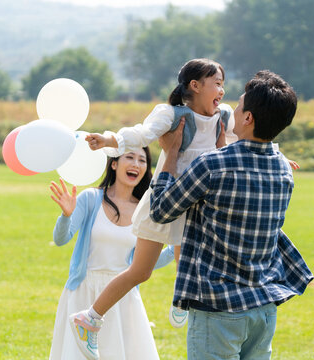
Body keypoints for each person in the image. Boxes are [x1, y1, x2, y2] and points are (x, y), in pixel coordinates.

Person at [69, 58, 238, 341]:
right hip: (166, 198)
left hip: (204, 201)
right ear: (195, 86)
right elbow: (141, 135)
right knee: (140, 271)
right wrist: (110, 140)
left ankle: (181, 299)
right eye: (217, 84)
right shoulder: (171, 114)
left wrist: (277, 158)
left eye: (223, 85)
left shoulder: (224, 116)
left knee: (192, 259)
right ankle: (90, 318)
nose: (222, 91)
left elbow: (246, 141)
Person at [149, 70, 314, 359]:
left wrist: (171, 154)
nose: (232, 111)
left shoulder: (212, 164)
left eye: (238, 106)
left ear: (248, 118)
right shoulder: (284, 169)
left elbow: (161, 211)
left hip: (218, 310)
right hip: (263, 307)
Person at [49, 147, 173, 360]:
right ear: (114, 164)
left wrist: (177, 247)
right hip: (83, 291)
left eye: (142, 160)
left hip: (123, 295)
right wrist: (66, 215)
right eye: (130, 157)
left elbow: (145, 263)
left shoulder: (146, 209)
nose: (136, 164)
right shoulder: (91, 198)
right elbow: (61, 239)